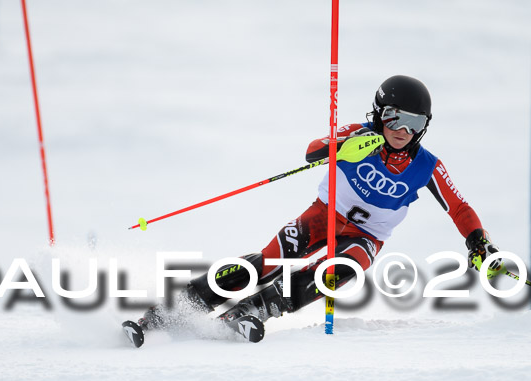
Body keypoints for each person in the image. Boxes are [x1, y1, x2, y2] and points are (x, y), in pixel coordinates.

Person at [139, 75, 504, 336]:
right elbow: (313, 150)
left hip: (366, 236)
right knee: (269, 260)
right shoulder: (358, 135)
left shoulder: (427, 166)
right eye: (395, 117)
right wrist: (340, 148)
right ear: (380, 113)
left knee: (344, 267)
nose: (402, 130)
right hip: (323, 215)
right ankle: (171, 311)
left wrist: (478, 242)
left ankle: (258, 309)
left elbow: (460, 207)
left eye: (414, 123)